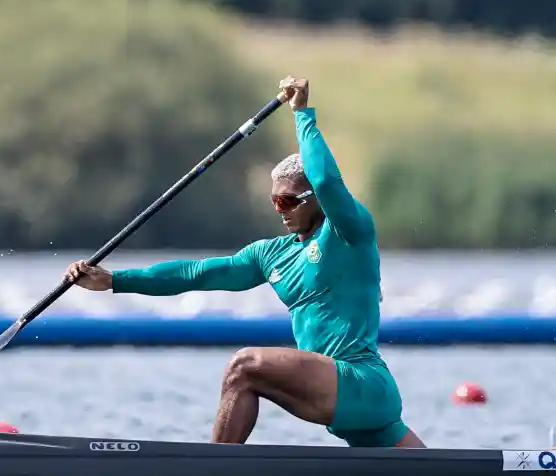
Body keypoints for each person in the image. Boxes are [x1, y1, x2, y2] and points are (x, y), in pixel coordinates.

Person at [65, 75, 426, 449]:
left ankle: (213, 470)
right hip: (346, 404)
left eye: (288, 201)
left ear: (315, 198)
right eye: (274, 202)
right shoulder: (272, 254)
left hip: (359, 382)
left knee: (244, 367)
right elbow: (197, 274)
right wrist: (115, 280)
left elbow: (327, 180)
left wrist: (302, 113)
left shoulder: (349, 231)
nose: (280, 210)